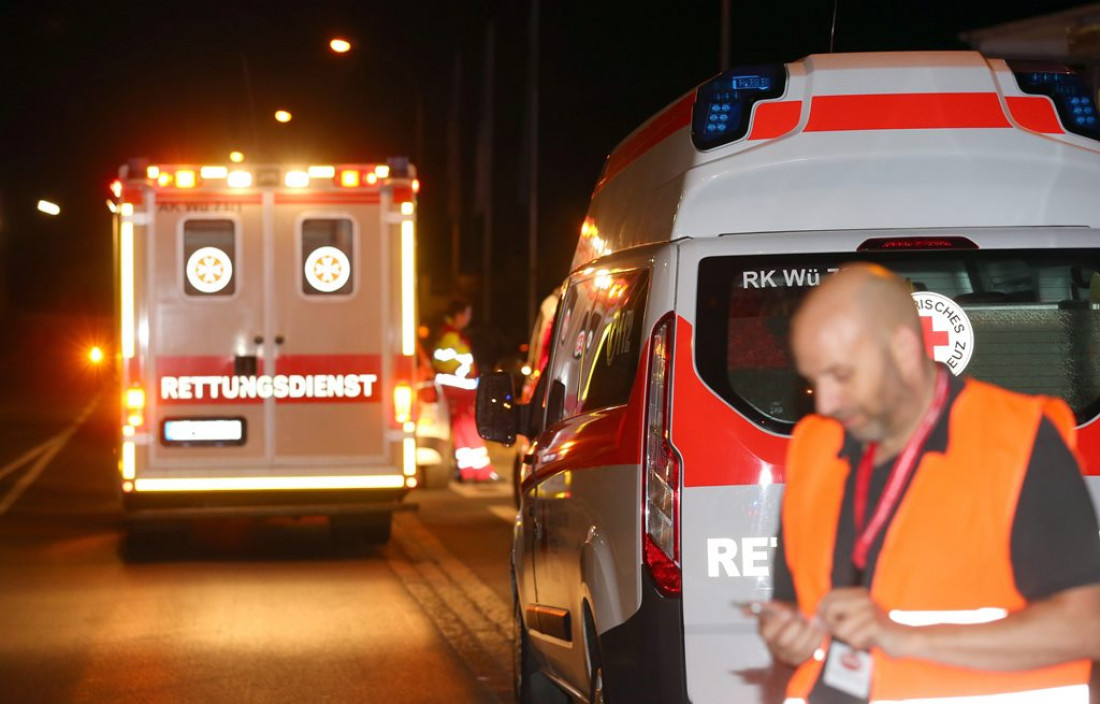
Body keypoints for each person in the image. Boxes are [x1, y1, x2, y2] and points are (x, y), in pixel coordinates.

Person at [759, 263, 1100, 703]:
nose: (825, 402)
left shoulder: (1018, 440)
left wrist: (906, 639)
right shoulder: (814, 446)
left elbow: (1087, 623)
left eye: (841, 376)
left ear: (902, 349)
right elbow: (793, 601)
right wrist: (787, 632)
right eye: (814, 380)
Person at [431, 298, 496, 482]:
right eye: (468, 314)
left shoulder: (450, 334)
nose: (469, 318)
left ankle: (470, 470)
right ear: (459, 315)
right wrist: (465, 373)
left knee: (463, 429)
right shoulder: (451, 337)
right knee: (468, 428)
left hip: (458, 390)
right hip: (459, 390)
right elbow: (448, 363)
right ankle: (478, 471)